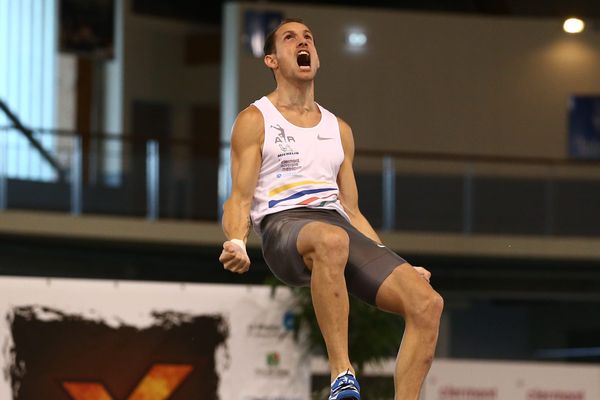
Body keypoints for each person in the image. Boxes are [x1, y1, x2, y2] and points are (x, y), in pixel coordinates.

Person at [219, 18, 443, 400]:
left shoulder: (339, 129)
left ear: (316, 58)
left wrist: (393, 261)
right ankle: (343, 375)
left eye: (308, 37)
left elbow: (352, 211)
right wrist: (237, 241)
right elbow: (239, 198)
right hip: (283, 225)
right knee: (332, 240)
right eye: (290, 38)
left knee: (427, 303)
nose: (302, 42)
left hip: (336, 226)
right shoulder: (255, 120)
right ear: (271, 60)